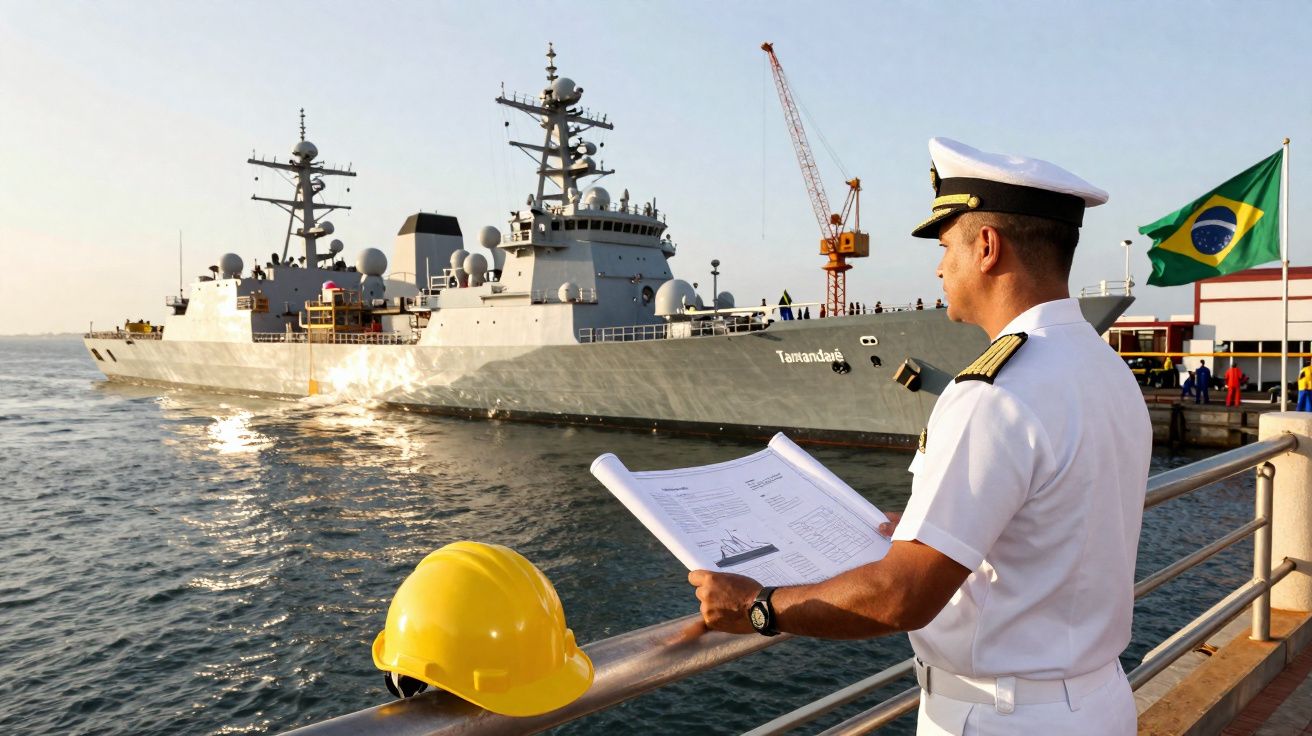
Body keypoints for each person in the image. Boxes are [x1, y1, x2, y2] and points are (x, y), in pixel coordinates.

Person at [689, 137, 1148, 735]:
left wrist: (758, 605)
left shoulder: (992, 393)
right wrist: (931, 524)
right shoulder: (1105, 368)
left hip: (1000, 717)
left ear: (986, 247)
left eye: (945, 244)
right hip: (1098, 703)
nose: (938, 267)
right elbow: (1057, 516)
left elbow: (901, 596)